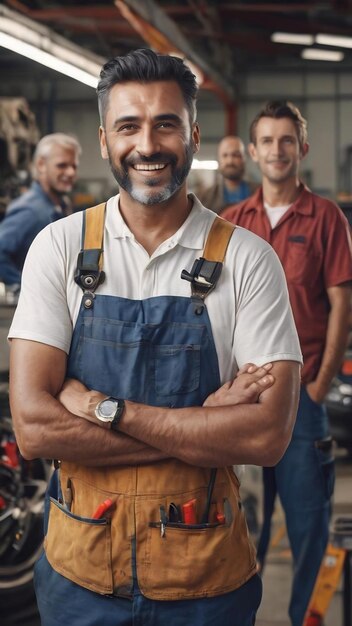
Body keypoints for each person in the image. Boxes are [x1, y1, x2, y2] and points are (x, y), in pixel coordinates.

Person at [9, 51, 302, 626]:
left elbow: (266, 435)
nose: (148, 144)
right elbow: (34, 428)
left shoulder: (248, 260)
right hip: (79, 577)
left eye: (166, 123)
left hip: (205, 579)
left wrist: (100, 408)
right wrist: (202, 427)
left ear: (193, 133)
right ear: (103, 139)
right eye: (129, 126)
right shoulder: (59, 248)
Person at [221, 100, 352, 626]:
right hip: (243, 404)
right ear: (252, 151)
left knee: (309, 530)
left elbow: (343, 303)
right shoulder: (232, 222)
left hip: (304, 406)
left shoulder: (327, 218)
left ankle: (306, 621)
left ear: (303, 147)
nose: (276, 150)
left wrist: (318, 386)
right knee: (235, 529)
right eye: (267, 141)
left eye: (286, 140)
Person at [0, 132, 81, 290]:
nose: (71, 172)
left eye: (74, 166)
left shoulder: (60, 206)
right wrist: (25, 288)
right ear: (41, 165)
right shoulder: (31, 210)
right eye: (62, 165)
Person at [198, 135, 257, 213]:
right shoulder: (205, 199)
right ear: (219, 159)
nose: (230, 161)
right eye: (225, 155)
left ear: (244, 158)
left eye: (235, 155)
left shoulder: (260, 193)